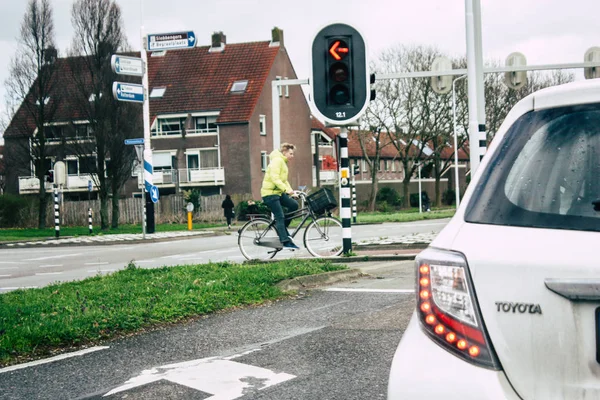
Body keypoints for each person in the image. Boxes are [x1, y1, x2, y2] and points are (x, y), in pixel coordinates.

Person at [261, 143, 299, 249]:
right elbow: (275, 178)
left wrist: (291, 191)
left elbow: (284, 181)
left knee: (294, 205)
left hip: (278, 192)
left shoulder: (283, 162)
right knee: (280, 216)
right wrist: (287, 190)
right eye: (291, 154)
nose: (292, 156)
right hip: (270, 194)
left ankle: (282, 229)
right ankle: (285, 240)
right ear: (284, 152)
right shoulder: (277, 161)